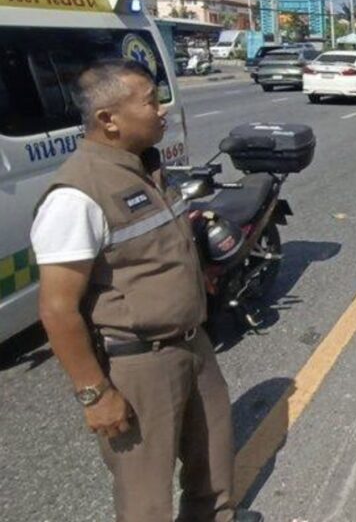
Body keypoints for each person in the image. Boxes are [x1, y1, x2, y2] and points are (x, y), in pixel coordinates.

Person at [32, 60, 261, 522]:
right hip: (139, 364)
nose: (162, 111)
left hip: (192, 345)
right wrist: (95, 393)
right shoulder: (77, 195)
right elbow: (58, 309)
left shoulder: (147, 169)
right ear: (108, 120)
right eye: (150, 101)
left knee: (214, 467)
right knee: (146, 498)